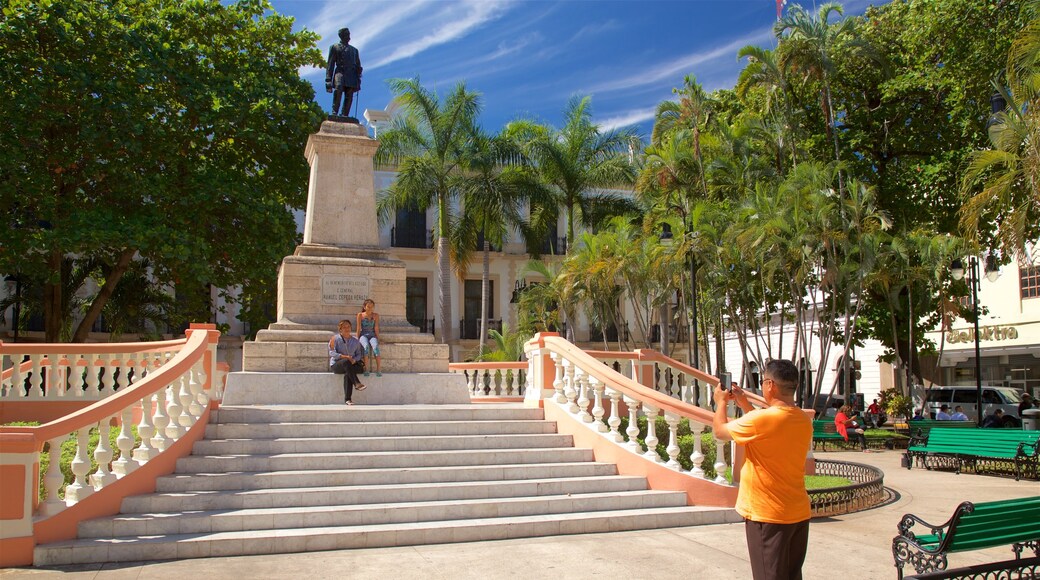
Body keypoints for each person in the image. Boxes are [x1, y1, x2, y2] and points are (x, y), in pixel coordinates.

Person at [713, 359, 812, 580]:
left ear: (770, 385)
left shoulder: (762, 420)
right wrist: (744, 403)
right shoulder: (803, 420)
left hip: (767, 515)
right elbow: (765, 429)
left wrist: (720, 402)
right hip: (797, 513)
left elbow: (720, 431)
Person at [325, 27, 362, 117]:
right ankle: (335, 112)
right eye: (346, 35)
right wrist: (328, 80)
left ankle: (345, 114)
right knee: (338, 88)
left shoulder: (354, 50)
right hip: (340, 72)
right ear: (341, 36)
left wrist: (359, 72)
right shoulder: (334, 47)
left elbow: (358, 64)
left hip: (351, 75)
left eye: (349, 34)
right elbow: (330, 64)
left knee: (349, 94)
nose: (348, 36)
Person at [329, 319, 366, 405]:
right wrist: (345, 357)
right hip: (337, 364)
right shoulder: (334, 339)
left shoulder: (356, 341)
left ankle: (348, 399)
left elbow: (359, 355)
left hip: (351, 365)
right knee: (346, 362)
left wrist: (354, 360)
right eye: (344, 327)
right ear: (340, 329)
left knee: (348, 372)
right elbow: (331, 352)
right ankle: (357, 383)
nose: (347, 329)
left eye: (348, 327)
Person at [356, 298, 382, 377]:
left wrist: (378, 338)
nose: (370, 308)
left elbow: (376, 328)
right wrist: (357, 339)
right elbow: (358, 328)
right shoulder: (360, 315)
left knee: (376, 349)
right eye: (368, 306)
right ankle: (366, 369)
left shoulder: (375, 315)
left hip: (372, 335)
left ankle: (378, 369)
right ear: (364, 307)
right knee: (366, 347)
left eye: (372, 307)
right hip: (363, 335)